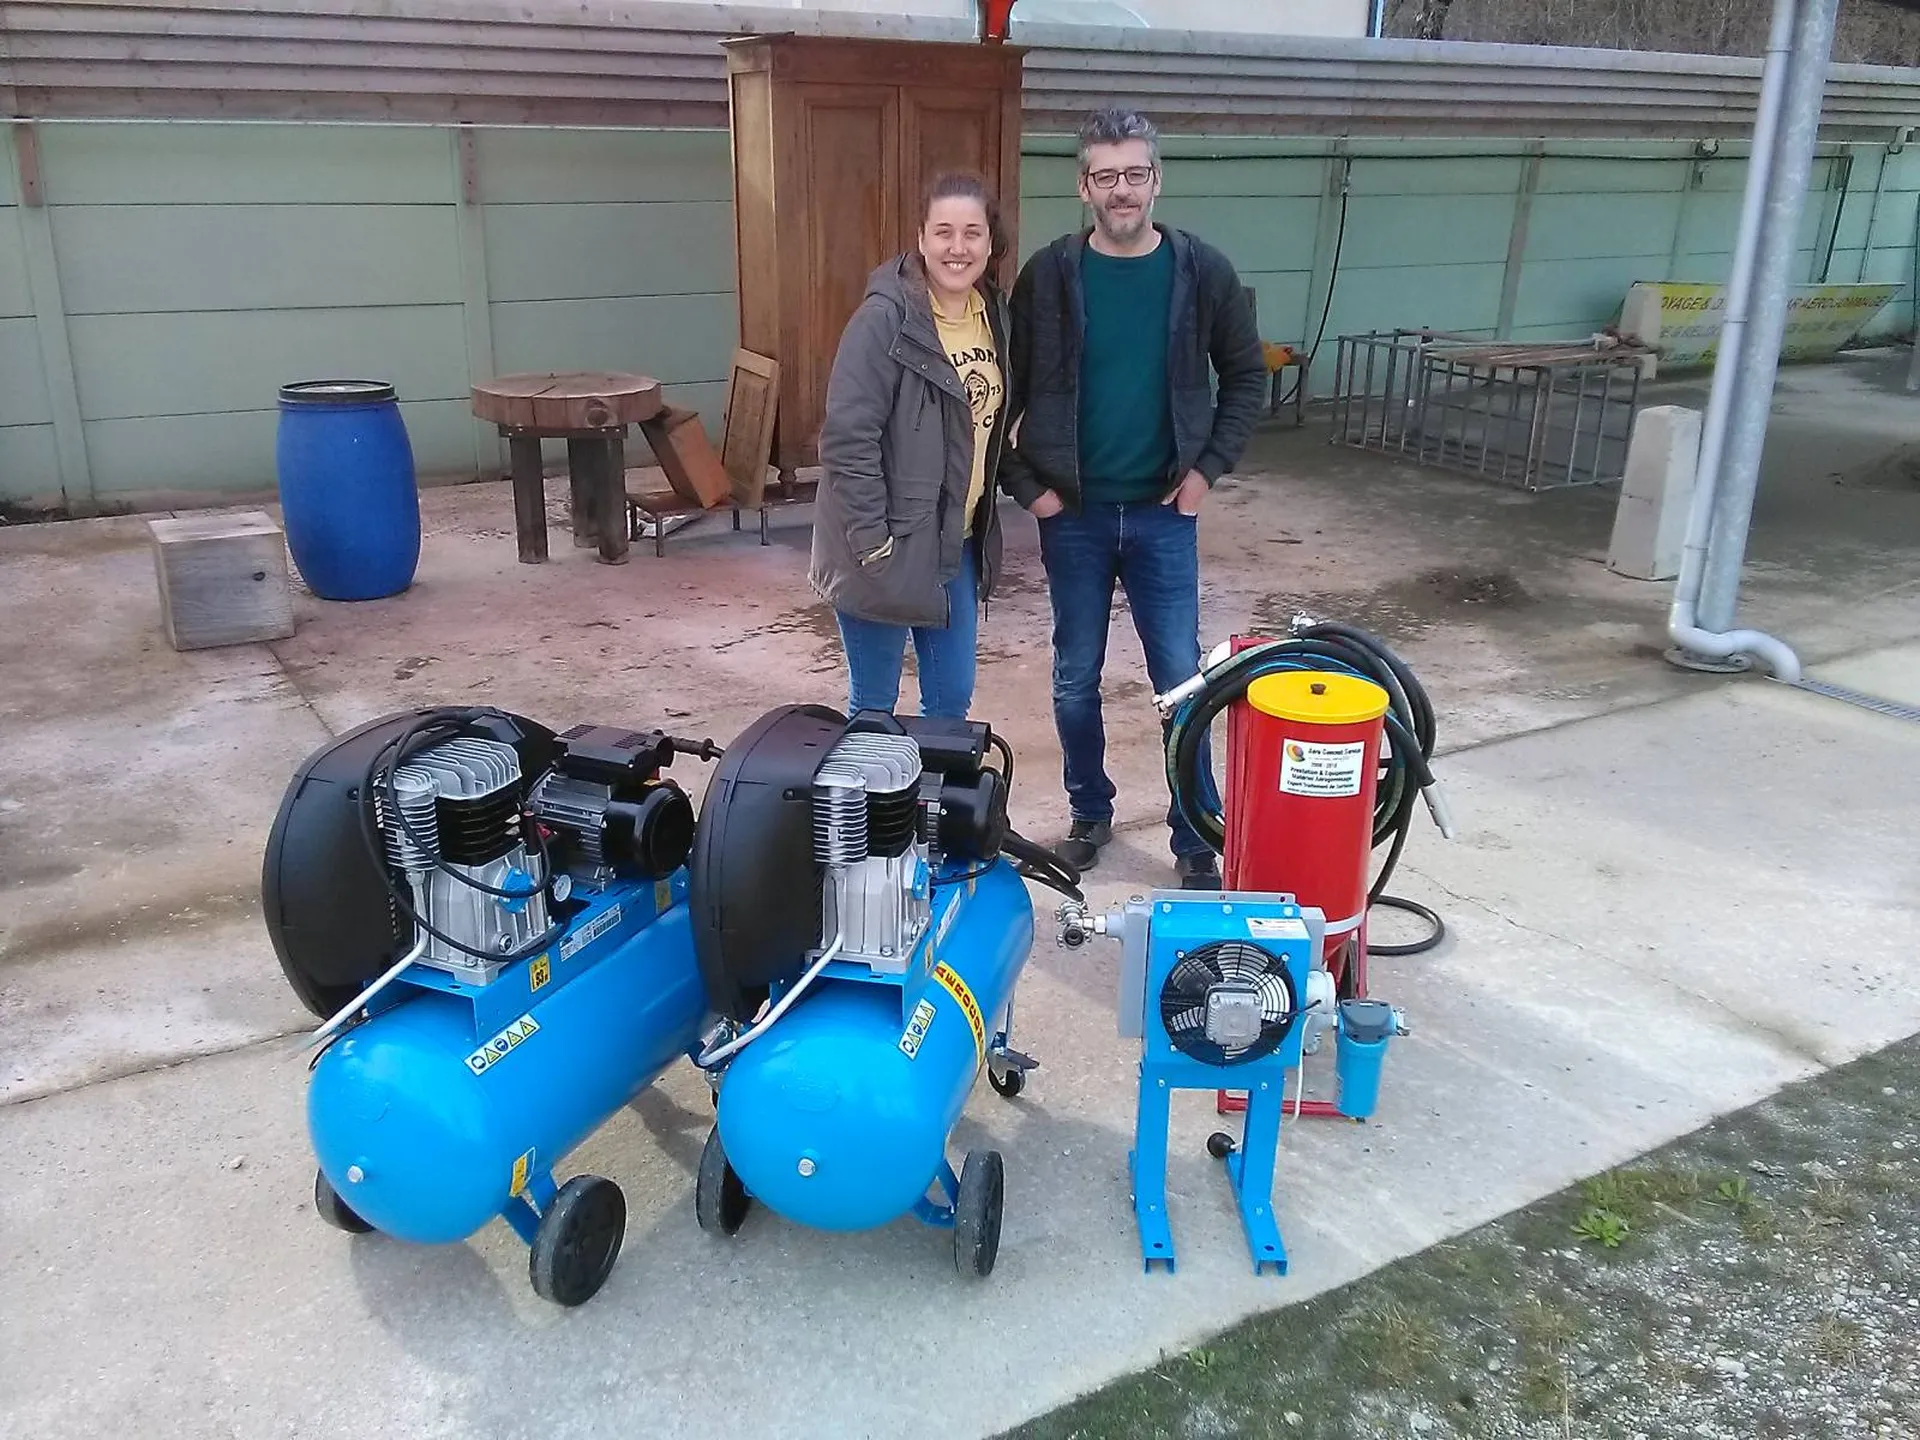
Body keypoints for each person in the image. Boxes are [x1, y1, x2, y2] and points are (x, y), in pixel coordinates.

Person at [1000, 107, 1266, 887]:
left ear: (1157, 180)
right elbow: (1002, 392)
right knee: (1075, 677)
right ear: (1083, 186)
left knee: (1181, 680)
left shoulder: (1201, 271)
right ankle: (1089, 811)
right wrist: (1030, 491)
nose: (1122, 190)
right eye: (1106, 175)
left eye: (1136, 173)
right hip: (1074, 518)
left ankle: (1194, 835)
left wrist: (1205, 472)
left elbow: (1245, 377)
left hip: (1163, 517)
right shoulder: (1048, 276)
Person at [810, 172, 1011, 721]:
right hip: (885, 543)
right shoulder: (884, 320)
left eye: (972, 233)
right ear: (921, 238)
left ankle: (929, 785)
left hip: (954, 542)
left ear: (989, 242)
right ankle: (867, 785)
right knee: (874, 705)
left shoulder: (993, 315)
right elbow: (848, 440)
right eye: (943, 232)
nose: (957, 247)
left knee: (950, 701)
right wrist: (872, 543)